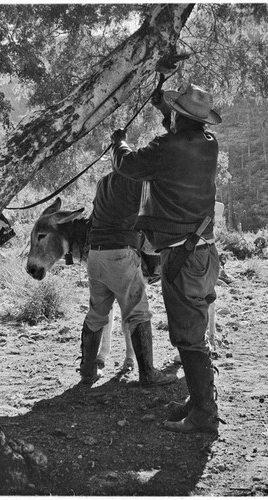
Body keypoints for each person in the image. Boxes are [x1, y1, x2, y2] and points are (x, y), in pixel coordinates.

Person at [110, 83, 223, 434]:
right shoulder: (208, 144)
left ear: (178, 117)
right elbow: (178, 132)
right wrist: (164, 107)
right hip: (204, 252)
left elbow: (128, 165)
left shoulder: (166, 148)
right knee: (195, 329)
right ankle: (198, 399)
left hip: (181, 256)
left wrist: (118, 141)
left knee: (187, 337)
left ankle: (204, 413)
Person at [80, 169, 177, 388]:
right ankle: (149, 374)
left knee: (96, 313)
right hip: (120, 254)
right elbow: (151, 216)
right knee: (138, 312)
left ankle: (87, 372)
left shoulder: (103, 182)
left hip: (95, 254)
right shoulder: (138, 179)